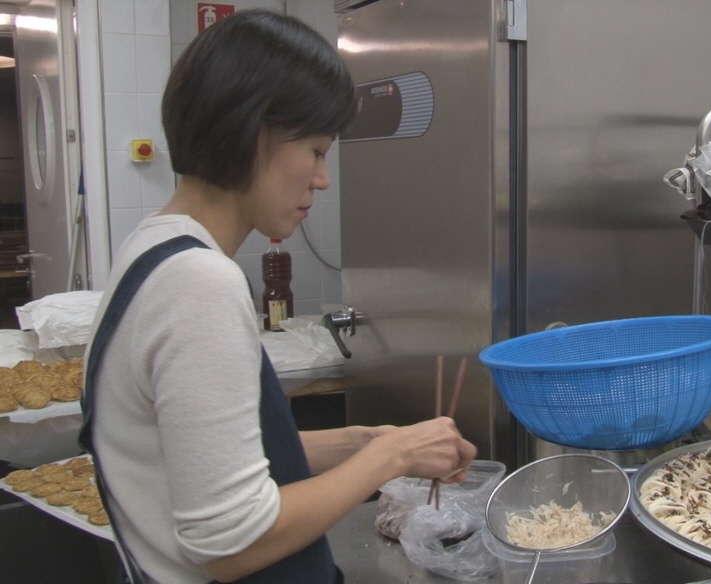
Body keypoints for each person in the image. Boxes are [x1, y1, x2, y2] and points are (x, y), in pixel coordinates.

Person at [79, 10, 477, 584]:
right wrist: (387, 460)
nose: (322, 179)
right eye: (315, 150)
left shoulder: (150, 249)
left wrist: (365, 441)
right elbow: (233, 543)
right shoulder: (199, 283)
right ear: (253, 133)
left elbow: (214, 457)